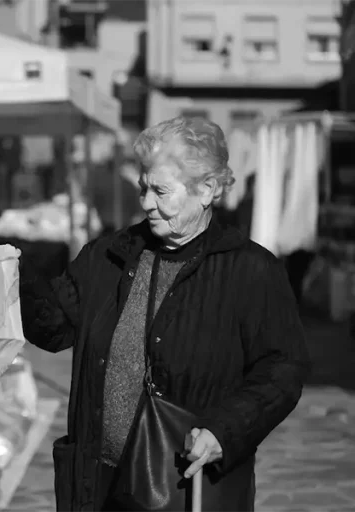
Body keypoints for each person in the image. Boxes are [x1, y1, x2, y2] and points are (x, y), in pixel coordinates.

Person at [20, 116, 311, 511]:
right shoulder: (108, 255)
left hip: (184, 486)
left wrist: (224, 430)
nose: (145, 203)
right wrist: (15, 274)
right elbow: (52, 329)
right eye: (143, 187)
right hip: (97, 484)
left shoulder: (251, 271)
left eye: (160, 190)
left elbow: (282, 369)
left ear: (206, 189)